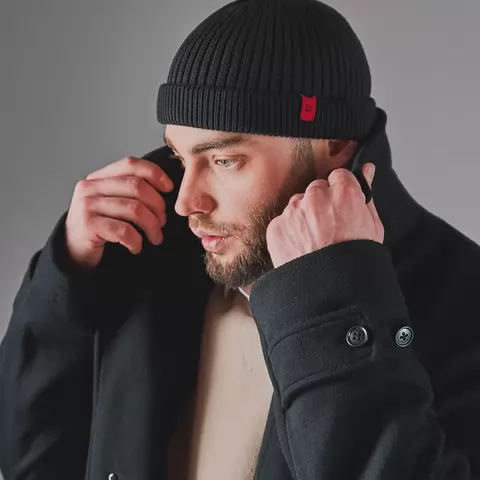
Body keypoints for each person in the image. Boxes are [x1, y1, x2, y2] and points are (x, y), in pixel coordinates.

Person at [1, 0, 479, 478]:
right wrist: (64, 287)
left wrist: (333, 307)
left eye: (224, 160)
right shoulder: (147, 253)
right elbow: (26, 458)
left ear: (334, 143)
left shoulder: (462, 295)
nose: (187, 201)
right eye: (181, 158)